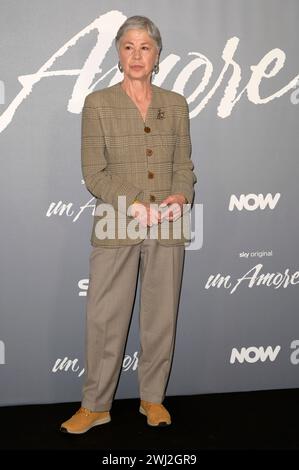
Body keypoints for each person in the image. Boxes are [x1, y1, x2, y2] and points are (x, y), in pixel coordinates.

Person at [60, 15, 197, 433]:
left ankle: (152, 399)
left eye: (146, 47)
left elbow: (184, 165)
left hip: (168, 223)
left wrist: (180, 195)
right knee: (105, 316)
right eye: (129, 47)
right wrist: (135, 203)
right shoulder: (98, 103)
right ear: (118, 53)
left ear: (157, 56)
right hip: (115, 220)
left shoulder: (175, 103)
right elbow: (94, 172)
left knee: (161, 316)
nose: (137, 55)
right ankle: (96, 405)